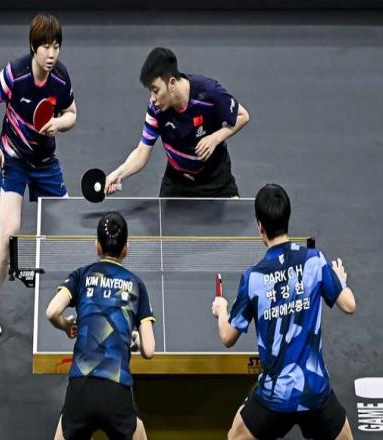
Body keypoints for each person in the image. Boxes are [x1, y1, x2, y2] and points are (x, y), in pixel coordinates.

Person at [211, 183, 356, 440]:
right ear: (287, 218)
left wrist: (221, 309)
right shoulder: (314, 260)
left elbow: (227, 337)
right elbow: (349, 305)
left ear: (260, 226)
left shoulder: (253, 278)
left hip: (274, 398)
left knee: (235, 436)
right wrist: (339, 281)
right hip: (314, 393)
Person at [0, 13, 76, 336]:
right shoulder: (15, 73)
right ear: (34, 47)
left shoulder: (60, 78)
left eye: (56, 47)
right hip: (13, 160)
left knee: (68, 227)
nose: (52, 54)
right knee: (9, 232)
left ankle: (73, 299)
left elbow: (72, 114)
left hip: (46, 162)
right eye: (46, 47)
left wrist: (59, 123)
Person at [47, 212, 155, 440]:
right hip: (116, 389)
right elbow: (149, 350)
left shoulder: (81, 275)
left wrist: (66, 326)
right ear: (126, 249)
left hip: (81, 386)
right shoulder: (137, 285)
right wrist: (136, 339)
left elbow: (52, 312)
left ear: (97, 246)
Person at [105, 47, 249, 198]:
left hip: (216, 181)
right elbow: (142, 151)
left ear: (172, 83)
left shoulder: (208, 92)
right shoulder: (155, 108)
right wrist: (118, 174)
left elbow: (243, 115)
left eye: (155, 90)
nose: (153, 98)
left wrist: (215, 138)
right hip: (177, 184)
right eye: (150, 91)